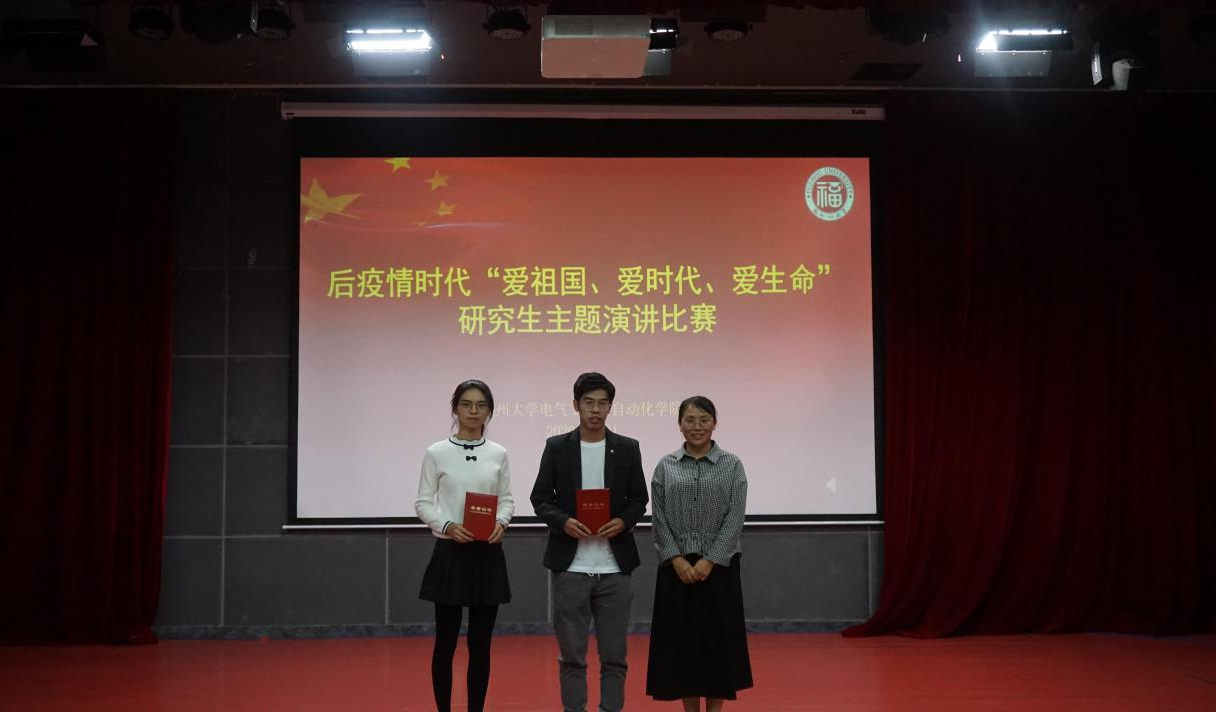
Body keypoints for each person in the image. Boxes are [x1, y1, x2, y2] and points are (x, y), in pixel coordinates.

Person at [530, 372, 649, 712]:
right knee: (571, 657)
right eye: (589, 403)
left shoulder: (627, 448)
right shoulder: (557, 447)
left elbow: (638, 499)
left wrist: (623, 521)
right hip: (571, 567)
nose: (596, 410)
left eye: (602, 403)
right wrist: (564, 522)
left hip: (614, 568)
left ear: (610, 407)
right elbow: (541, 499)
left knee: (614, 657)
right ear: (575, 405)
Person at [646, 395, 752, 712]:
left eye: (704, 420)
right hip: (676, 570)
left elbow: (735, 518)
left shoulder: (732, 465)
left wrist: (710, 560)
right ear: (679, 424)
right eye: (689, 420)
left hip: (719, 569)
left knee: (718, 646)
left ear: (714, 423)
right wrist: (677, 559)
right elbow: (658, 518)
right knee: (682, 647)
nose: (697, 426)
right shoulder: (666, 466)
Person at [415, 379, 514, 712]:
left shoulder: (498, 453)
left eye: (481, 405)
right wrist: (447, 526)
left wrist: (502, 522)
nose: (474, 411)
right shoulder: (436, 452)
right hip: (451, 553)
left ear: (490, 411)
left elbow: (507, 499)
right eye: (467, 404)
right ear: (455, 409)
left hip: (487, 553)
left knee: (480, 645)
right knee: (445, 643)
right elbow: (423, 502)